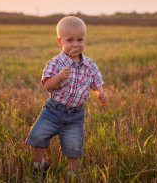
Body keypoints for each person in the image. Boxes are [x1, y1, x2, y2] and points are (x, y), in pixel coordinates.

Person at [26, 16, 107, 178]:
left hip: (75, 115)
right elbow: (48, 85)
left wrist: (100, 92)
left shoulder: (89, 65)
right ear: (59, 41)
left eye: (80, 39)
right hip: (53, 110)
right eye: (70, 40)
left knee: (73, 146)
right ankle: (38, 166)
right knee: (37, 137)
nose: (76, 44)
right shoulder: (55, 64)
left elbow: (95, 82)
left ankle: (72, 172)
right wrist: (59, 77)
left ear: (85, 40)